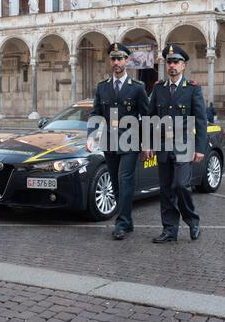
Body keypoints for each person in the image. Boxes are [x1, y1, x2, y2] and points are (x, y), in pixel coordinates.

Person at [87, 43, 149, 240]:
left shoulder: (138, 88)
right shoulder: (102, 87)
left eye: (120, 58)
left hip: (130, 142)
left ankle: (121, 223)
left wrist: (147, 143)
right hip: (108, 142)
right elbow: (96, 113)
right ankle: (127, 221)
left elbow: (146, 117)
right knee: (115, 183)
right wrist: (91, 136)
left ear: (127, 61)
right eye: (113, 59)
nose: (116, 62)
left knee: (125, 180)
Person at [148, 45, 207, 243]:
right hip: (163, 146)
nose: (172, 66)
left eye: (176, 62)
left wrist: (200, 148)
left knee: (181, 185)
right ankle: (169, 230)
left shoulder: (192, 88)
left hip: (184, 145)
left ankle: (192, 219)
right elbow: (151, 118)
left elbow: (200, 120)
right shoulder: (158, 88)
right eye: (169, 62)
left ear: (183, 65)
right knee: (165, 190)